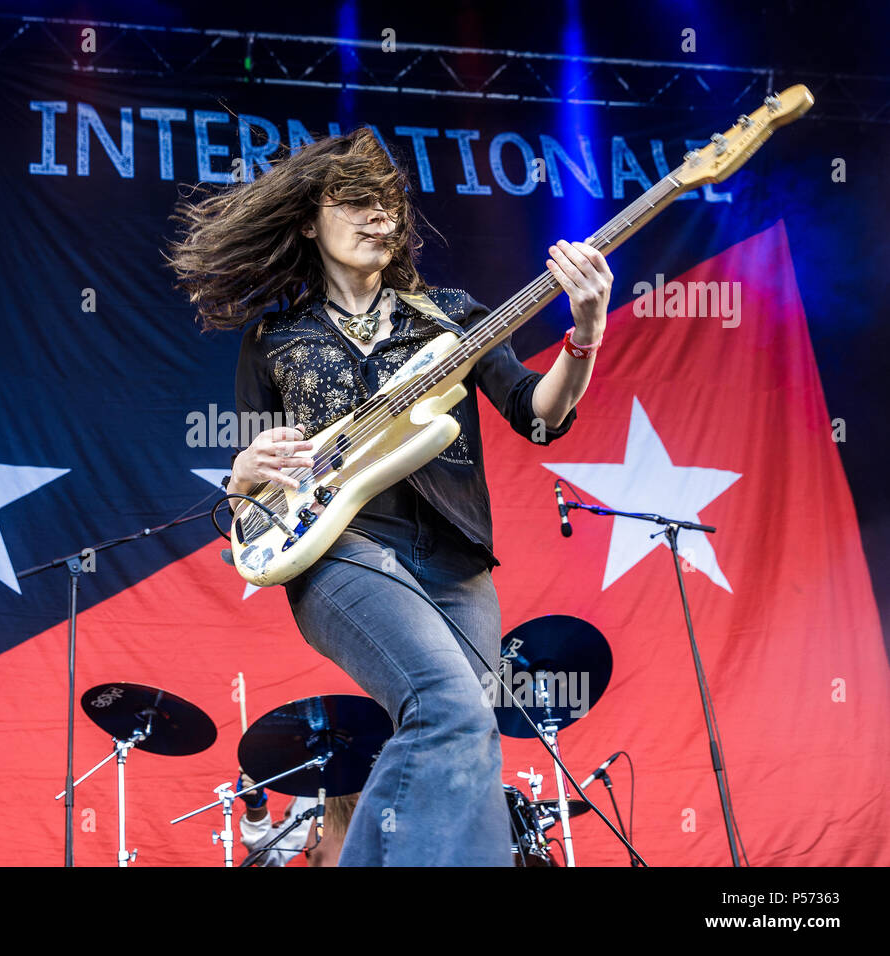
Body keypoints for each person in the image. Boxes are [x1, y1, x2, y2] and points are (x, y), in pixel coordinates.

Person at [166, 127, 610, 865]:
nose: (382, 218)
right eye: (358, 203)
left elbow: (538, 416)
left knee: (467, 735)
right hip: (342, 549)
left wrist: (584, 334)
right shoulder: (276, 338)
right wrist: (244, 469)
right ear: (311, 219)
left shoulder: (451, 315)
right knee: (448, 704)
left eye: (391, 206)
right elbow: (253, 502)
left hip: (457, 557)